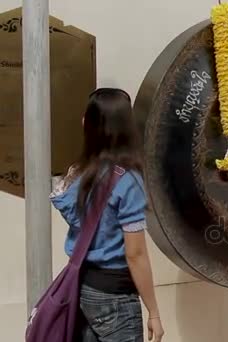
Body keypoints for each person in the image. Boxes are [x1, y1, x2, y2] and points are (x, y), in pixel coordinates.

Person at [50, 88, 164, 342]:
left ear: (86, 124)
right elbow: (135, 255)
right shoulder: (128, 181)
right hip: (115, 296)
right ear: (126, 127)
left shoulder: (78, 173)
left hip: (83, 288)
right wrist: (153, 311)